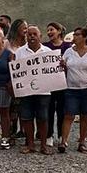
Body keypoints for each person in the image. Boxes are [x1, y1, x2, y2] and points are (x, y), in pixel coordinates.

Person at [60, 27, 87, 154]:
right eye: (75, 34)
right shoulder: (68, 52)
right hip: (71, 88)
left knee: (85, 115)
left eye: (78, 34)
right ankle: (64, 141)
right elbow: (62, 65)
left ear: (85, 37)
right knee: (69, 115)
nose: (75, 36)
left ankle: (82, 142)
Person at [15, 26, 53, 155]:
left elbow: (52, 70)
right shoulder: (20, 52)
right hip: (26, 91)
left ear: (40, 36)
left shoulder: (48, 51)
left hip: (43, 91)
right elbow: (16, 70)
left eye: (34, 34)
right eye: (29, 34)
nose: (31, 36)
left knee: (43, 118)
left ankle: (43, 145)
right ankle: (30, 144)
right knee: (27, 117)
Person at [44, 22, 72, 147]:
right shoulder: (45, 46)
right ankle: (49, 135)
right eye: (48, 30)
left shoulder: (68, 47)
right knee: (49, 109)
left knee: (62, 110)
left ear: (59, 31)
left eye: (52, 30)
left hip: (63, 82)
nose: (49, 32)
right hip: (49, 83)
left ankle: (61, 135)